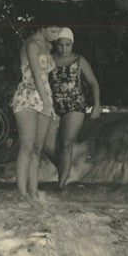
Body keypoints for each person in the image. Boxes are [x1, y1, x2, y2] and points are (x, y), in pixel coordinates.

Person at [44, 28, 101, 189]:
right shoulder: (49, 60)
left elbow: (93, 83)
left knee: (65, 144)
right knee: (46, 144)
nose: (64, 49)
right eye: (60, 45)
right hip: (54, 106)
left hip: (75, 105)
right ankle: (66, 169)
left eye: (67, 45)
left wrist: (96, 104)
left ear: (72, 44)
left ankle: (61, 185)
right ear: (56, 44)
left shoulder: (79, 60)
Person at [11, 25, 61, 200]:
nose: (56, 36)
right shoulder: (32, 44)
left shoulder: (48, 46)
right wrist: (47, 103)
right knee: (27, 146)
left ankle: (33, 191)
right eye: (53, 31)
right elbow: (36, 75)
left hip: (44, 98)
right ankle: (22, 193)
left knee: (38, 148)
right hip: (28, 97)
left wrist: (49, 102)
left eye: (58, 32)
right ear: (43, 27)